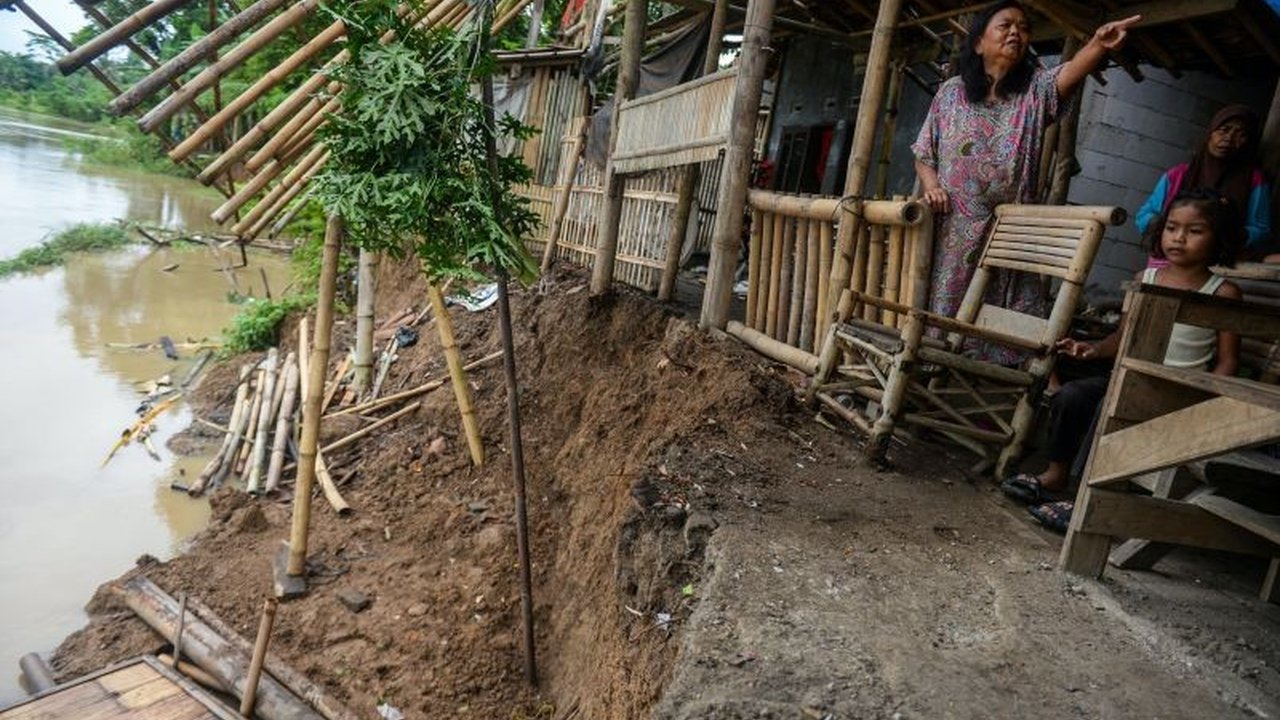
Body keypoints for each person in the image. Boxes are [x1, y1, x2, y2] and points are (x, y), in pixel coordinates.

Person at [1001, 190, 1243, 530]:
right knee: (1073, 396)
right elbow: (1122, 338)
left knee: (1107, 407)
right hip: (1127, 378)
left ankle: (1084, 496)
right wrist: (1093, 350)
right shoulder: (1146, 280)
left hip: (1176, 390)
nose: (1179, 238)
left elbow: (1228, 360)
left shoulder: (1222, 292)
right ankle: (1056, 474)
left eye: (1195, 230)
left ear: (1219, 238)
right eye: (1172, 227)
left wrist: (1203, 406)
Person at [913, 2, 1139, 364]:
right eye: (1005, 26)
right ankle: (934, 378)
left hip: (1010, 229)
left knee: (1012, 312)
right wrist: (932, 185)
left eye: (1023, 27)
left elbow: (1069, 73)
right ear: (978, 43)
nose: (1016, 32)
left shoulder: (1036, 90)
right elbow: (924, 152)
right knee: (943, 311)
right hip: (954, 227)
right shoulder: (951, 93)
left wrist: (1098, 44)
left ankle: (998, 389)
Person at [1136, 104, 1272, 257]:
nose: (1229, 138)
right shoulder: (1177, 175)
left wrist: (1224, 236)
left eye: (1241, 134)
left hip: (1222, 262)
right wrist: (1170, 229)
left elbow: (1260, 228)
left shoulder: (1254, 180)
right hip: (1170, 259)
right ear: (1210, 133)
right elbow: (1145, 215)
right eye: (1224, 130)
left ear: (1248, 142)